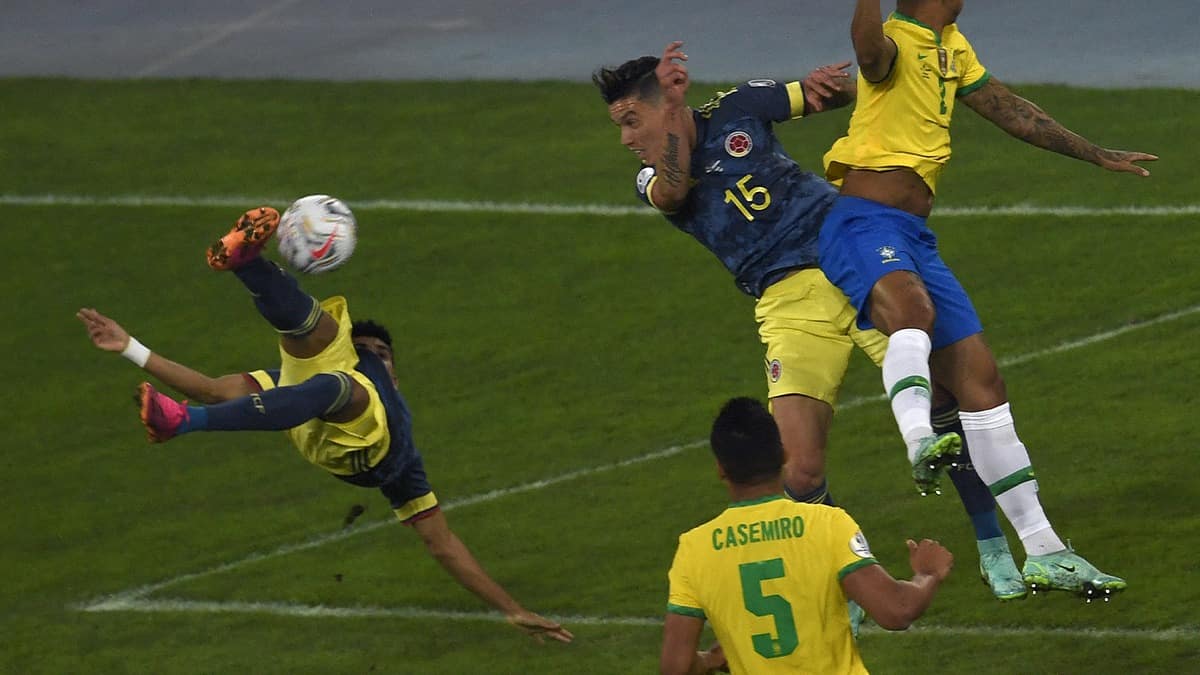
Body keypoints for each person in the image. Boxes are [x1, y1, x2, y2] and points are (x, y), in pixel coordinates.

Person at [593, 42, 1024, 601]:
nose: (626, 138)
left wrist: (840, 86)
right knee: (797, 471)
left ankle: (993, 545)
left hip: (848, 259)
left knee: (945, 394)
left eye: (631, 121)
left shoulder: (739, 107)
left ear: (660, 106)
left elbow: (837, 95)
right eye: (620, 127)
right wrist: (672, 114)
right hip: (786, 304)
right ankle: (853, 582)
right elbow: (675, 192)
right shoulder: (654, 177)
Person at [77, 206, 573, 643]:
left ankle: (188, 416)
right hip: (315, 407)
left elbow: (442, 544)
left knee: (337, 379)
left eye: (382, 353)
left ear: (395, 368)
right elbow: (211, 387)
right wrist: (130, 347)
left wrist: (512, 610)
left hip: (363, 443)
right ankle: (247, 266)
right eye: (371, 351)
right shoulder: (339, 369)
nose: (376, 357)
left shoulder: (402, 459)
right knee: (322, 357)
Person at [818, 0, 1157, 598]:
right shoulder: (897, 40)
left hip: (914, 236)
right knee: (913, 313)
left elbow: (1016, 114)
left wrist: (1095, 152)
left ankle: (1047, 552)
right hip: (864, 223)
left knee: (983, 383)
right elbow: (868, 53)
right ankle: (920, 438)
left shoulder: (953, 44)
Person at [661, 397, 953, 675]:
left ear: (721, 469)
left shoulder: (695, 548)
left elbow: (676, 666)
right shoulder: (826, 524)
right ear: (784, 454)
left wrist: (711, 660)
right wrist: (927, 574)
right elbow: (897, 609)